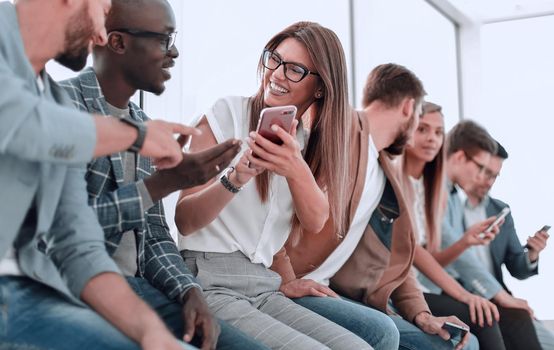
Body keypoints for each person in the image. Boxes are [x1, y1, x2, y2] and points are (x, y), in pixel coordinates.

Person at [59, 1, 268, 349]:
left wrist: (189, 290)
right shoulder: (61, 108)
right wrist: (166, 183)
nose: (174, 52)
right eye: (164, 39)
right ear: (118, 43)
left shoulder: (145, 124)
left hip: (143, 288)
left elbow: (153, 235)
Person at [0, 0, 196, 349]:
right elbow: (16, 121)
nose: (101, 34)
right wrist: (136, 136)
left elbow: (77, 244)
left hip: (25, 295)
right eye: (102, 9)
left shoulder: (55, 104)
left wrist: (147, 331)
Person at [175, 21, 377, 350]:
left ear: (321, 88)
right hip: (209, 278)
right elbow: (184, 219)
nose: (277, 74)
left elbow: (315, 221)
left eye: (295, 69)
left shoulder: (306, 144)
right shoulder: (227, 114)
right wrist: (235, 178)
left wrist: (296, 168)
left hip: (264, 285)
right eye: (275, 59)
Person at [272, 64, 476, 350]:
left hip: (328, 289)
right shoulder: (336, 132)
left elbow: (396, 257)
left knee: (460, 344)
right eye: (419, 117)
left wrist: (422, 314)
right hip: (295, 285)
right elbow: (275, 203)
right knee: (380, 332)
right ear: (408, 108)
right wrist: (284, 278)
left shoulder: (383, 170)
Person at [418, 119, 542, 349]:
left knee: (512, 317)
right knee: (489, 316)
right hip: (426, 288)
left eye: (493, 174)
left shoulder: (454, 196)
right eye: (482, 169)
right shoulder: (435, 188)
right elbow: (436, 252)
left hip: (437, 286)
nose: (484, 179)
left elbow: (437, 254)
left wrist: (465, 242)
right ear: (460, 157)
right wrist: (496, 295)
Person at [401, 101, 513, 350]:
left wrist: (465, 242)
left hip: (417, 285)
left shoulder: (427, 189)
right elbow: (415, 254)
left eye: (439, 133)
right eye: (423, 130)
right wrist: (468, 294)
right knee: (484, 317)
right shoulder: (400, 181)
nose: (432, 139)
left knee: (487, 316)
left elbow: (425, 257)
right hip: (400, 288)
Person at [464, 140, 554, 349]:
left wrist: (532, 253)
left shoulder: (500, 210)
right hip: (465, 296)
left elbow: (517, 268)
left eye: (495, 175)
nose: (489, 181)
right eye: (485, 172)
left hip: (499, 296)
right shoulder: (448, 206)